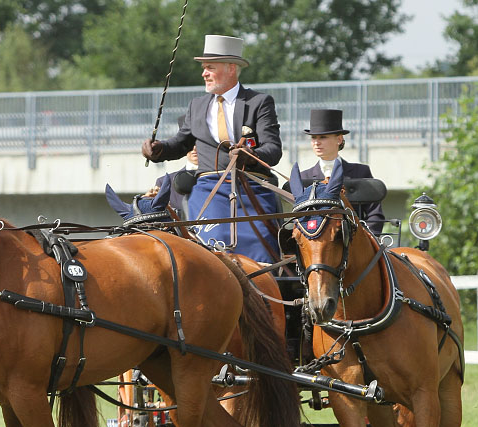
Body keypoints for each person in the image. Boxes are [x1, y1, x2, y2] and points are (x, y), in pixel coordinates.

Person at [141, 34, 283, 263]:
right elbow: (182, 142)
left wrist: (250, 155)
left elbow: (273, 150)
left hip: (252, 186)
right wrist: (159, 149)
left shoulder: (259, 102)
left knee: (262, 242)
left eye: (209, 67)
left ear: (230, 68)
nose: (203, 73)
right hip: (209, 188)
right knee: (214, 244)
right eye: (204, 68)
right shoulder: (197, 106)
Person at [298, 109, 385, 236]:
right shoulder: (304, 177)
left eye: (323, 137)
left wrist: (364, 242)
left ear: (339, 139)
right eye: (313, 138)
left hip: (356, 247)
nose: (317, 142)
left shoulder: (360, 172)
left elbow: (375, 215)